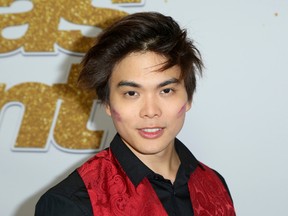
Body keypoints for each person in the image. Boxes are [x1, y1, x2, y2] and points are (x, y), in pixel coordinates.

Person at [35, 12, 236, 216]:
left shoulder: (214, 183)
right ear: (107, 103)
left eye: (166, 91)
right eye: (131, 93)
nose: (150, 111)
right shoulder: (69, 204)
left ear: (188, 98)